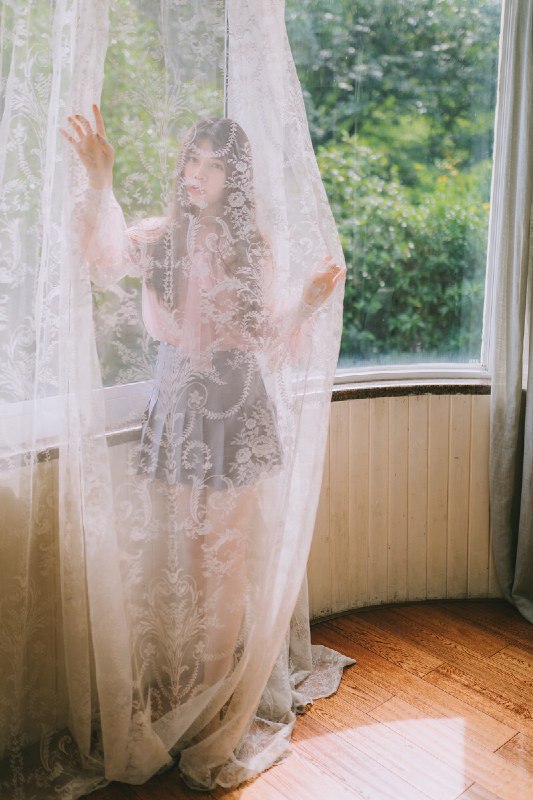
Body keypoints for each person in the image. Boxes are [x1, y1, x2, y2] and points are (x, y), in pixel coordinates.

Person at [60, 104, 345, 716]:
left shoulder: (254, 249)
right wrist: (99, 179)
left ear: (233, 178)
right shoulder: (156, 237)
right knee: (191, 554)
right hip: (179, 404)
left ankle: (213, 698)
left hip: (235, 401)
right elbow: (100, 260)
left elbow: (263, 338)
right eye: (193, 159)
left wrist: (306, 302)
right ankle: (196, 686)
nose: (197, 173)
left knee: (225, 553)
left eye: (214, 166)